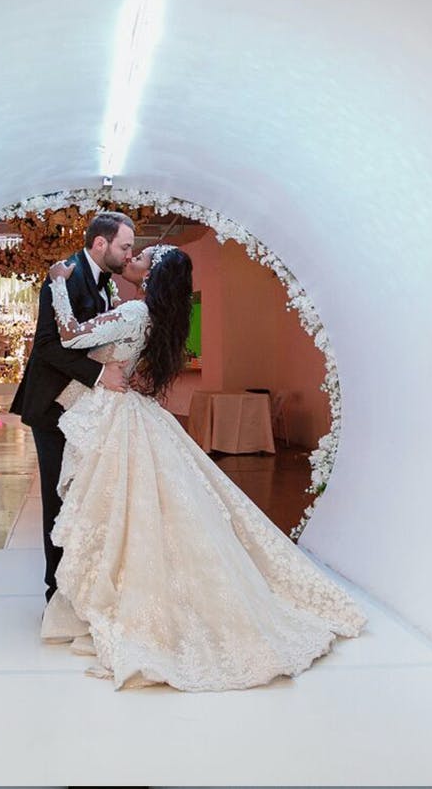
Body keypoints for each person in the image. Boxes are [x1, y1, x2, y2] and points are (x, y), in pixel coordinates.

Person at [39, 245, 366, 691]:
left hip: (117, 417)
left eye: (143, 255)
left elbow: (72, 335)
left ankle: (124, 599)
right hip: (132, 415)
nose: (133, 256)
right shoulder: (149, 315)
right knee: (142, 511)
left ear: (151, 275)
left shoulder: (135, 311)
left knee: (119, 509)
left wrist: (57, 282)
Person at [10, 211, 135, 603]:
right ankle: (56, 594)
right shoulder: (61, 279)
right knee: (60, 500)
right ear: (101, 244)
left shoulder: (105, 284)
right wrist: (100, 376)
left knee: (84, 497)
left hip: (83, 411)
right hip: (52, 409)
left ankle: (82, 585)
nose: (129, 255)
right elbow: (47, 347)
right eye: (125, 247)